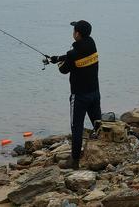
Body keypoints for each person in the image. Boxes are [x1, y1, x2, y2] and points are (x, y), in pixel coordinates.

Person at [49, 20, 101, 170]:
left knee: (76, 127)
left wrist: (58, 62)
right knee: (98, 123)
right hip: (95, 93)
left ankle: (75, 160)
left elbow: (64, 70)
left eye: (74, 30)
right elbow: (73, 57)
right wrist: (58, 57)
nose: (73, 33)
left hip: (79, 96)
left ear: (77, 34)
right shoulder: (92, 44)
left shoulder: (74, 53)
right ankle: (107, 148)